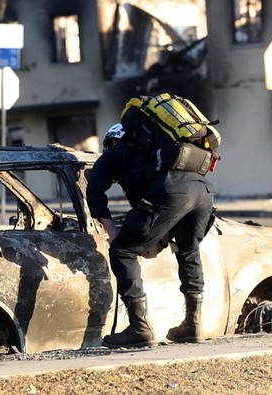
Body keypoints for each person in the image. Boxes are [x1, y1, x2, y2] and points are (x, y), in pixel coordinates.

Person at [86, 118, 215, 349]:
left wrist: (113, 232)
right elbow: (161, 218)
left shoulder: (118, 152)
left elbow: (94, 188)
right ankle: (193, 325)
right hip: (203, 192)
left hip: (172, 191)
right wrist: (155, 240)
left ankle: (139, 328)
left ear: (113, 141)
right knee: (187, 249)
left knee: (122, 250)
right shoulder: (155, 155)